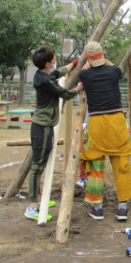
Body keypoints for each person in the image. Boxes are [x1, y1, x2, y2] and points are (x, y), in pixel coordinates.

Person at [79, 41, 131, 221]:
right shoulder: (114, 72)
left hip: (96, 123)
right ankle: (122, 208)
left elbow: (87, 65)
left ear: (88, 58)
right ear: (103, 54)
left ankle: (97, 208)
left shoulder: (85, 75)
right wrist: (102, 57)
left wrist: (89, 58)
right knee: (121, 165)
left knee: (96, 166)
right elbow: (113, 65)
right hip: (116, 122)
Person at [25, 47, 82, 221]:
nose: (56, 60)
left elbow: (57, 72)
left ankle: (40, 199)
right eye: (53, 58)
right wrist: (80, 87)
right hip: (42, 127)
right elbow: (65, 94)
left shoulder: (42, 75)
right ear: (47, 63)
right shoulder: (46, 82)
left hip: (45, 124)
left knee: (41, 162)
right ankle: (32, 207)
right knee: (37, 167)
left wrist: (73, 65)